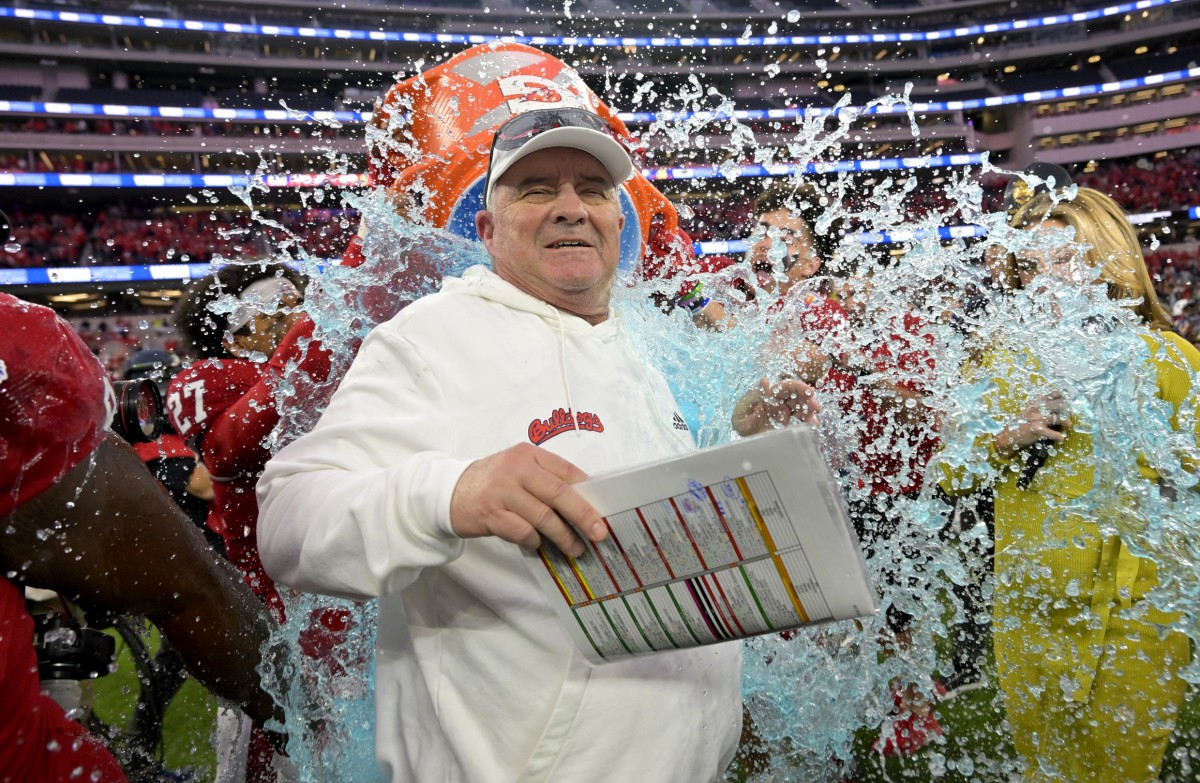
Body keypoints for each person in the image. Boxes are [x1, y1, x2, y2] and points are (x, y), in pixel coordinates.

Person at [257, 106, 744, 782]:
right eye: (538, 188)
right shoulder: (430, 340)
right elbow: (288, 517)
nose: (571, 208)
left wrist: (753, 430)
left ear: (618, 221)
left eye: (594, 189)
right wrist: (450, 494)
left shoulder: (638, 350)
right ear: (486, 230)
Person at [949, 187, 1198, 782]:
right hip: (1028, 616)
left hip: (1134, 620)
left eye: (1065, 261)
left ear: (1108, 261)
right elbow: (949, 474)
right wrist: (1008, 436)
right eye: (1032, 266)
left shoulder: (1169, 358)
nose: (1047, 281)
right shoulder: (997, 364)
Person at [0, 292, 283, 783]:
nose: (283, 324)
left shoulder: (200, 383)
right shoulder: (20, 348)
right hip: (248, 557)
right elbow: (190, 585)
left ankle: (141, 738)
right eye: (273, 316)